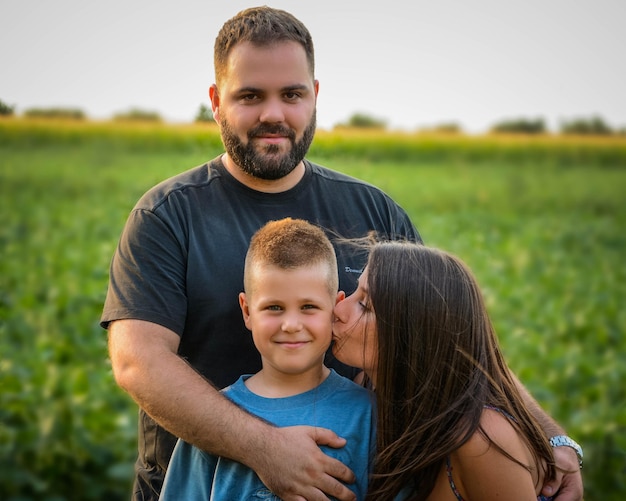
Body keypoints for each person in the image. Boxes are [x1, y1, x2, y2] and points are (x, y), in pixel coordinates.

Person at [101, 5, 582, 501]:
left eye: (292, 94)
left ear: (315, 96)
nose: (273, 114)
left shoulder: (374, 211)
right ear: (215, 102)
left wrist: (547, 433)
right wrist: (265, 450)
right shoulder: (167, 215)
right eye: (250, 96)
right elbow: (139, 362)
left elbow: (450, 343)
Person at [332, 240, 584, 500]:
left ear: (416, 334)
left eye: (365, 305)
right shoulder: (367, 387)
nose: (338, 309)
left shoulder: (482, 440)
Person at [159, 218, 375, 500]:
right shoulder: (211, 421)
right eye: (274, 307)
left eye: (308, 307)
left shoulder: (368, 415)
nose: (291, 325)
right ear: (247, 311)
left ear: (335, 307)